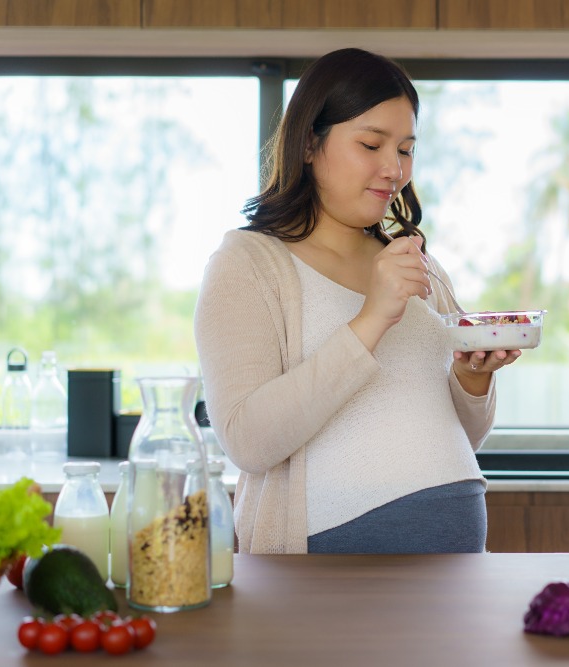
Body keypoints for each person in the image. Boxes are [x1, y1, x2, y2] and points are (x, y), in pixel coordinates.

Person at [194, 48, 522, 555]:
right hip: (327, 573)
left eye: (407, 149)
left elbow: (460, 435)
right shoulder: (249, 265)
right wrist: (371, 319)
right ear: (308, 143)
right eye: (371, 144)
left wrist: (473, 379)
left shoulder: (419, 265)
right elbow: (247, 442)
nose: (394, 168)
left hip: (456, 560)